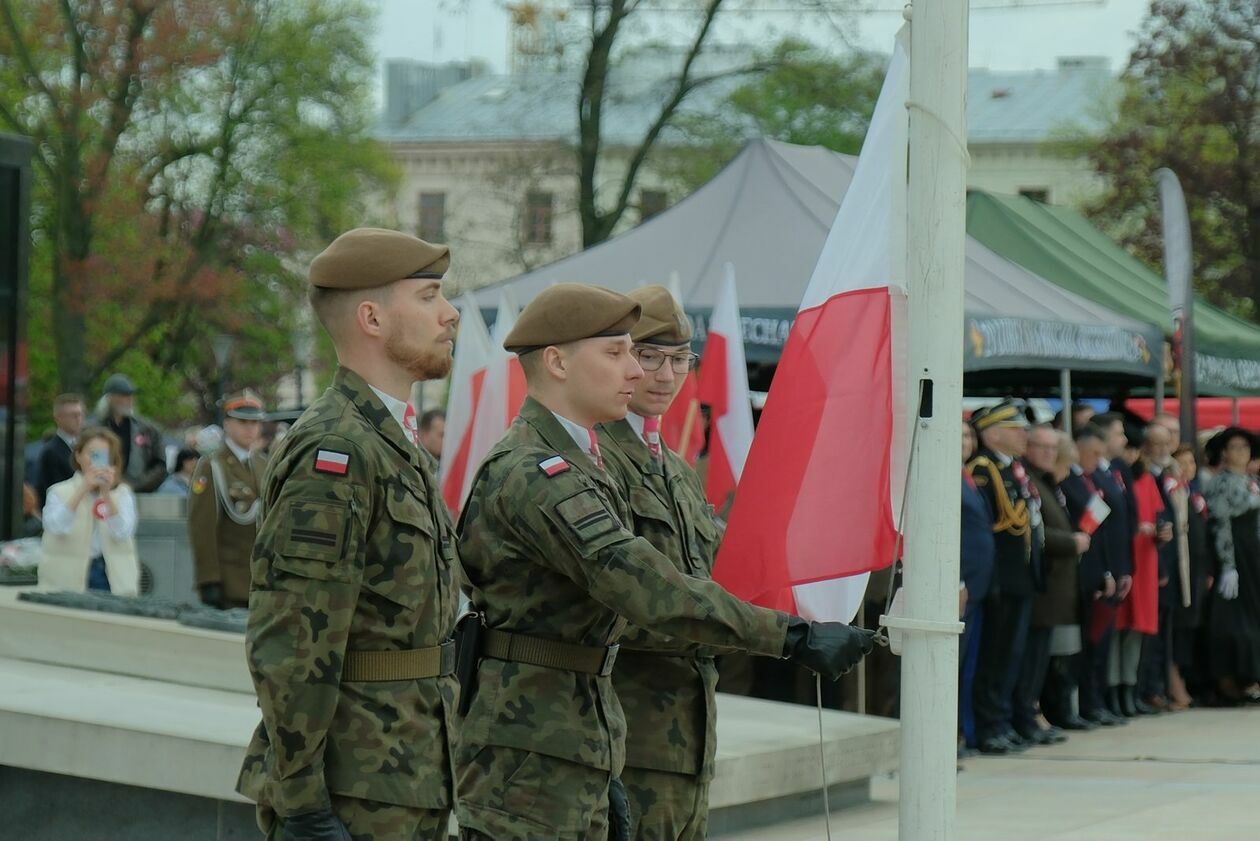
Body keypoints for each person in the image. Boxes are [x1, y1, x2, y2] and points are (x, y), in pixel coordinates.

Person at [455, 283, 875, 841]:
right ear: (556, 361)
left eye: (657, 356)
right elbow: (647, 588)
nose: (640, 372)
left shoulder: (586, 465)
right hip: (536, 748)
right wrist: (792, 636)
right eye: (621, 354)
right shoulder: (538, 472)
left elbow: (704, 570)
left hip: (586, 738)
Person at [235, 228, 463, 841]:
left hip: (405, 775)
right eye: (429, 295)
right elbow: (292, 643)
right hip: (354, 790)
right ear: (371, 317)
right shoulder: (336, 450)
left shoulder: (391, 442)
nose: (450, 314)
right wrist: (305, 805)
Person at [592, 285, 720, 840]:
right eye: (649, 358)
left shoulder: (677, 470)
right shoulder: (593, 459)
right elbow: (630, 602)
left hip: (689, 733)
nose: (666, 377)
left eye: (679, 360)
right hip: (631, 730)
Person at [967, 399, 1043, 754]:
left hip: (1020, 578)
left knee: (1011, 656)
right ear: (993, 434)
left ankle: (1003, 720)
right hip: (1002, 579)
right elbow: (995, 529)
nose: (1023, 435)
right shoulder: (985, 469)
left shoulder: (1014, 469)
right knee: (995, 657)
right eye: (1015, 429)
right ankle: (989, 726)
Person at [1016, 425, 1083, 746]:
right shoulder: (1029, 480)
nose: (1048, 453)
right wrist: (1071, 542)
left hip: (1052, 586)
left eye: (1053, 449)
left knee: (1038, 657)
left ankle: (1029, 713)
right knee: (1026, 657)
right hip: (1039, 584)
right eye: (1041, 446)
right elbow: (1036, 532)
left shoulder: (1044, 482)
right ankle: (1022, 716)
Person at [188, 391, 269, 610]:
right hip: (230, 582)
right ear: (227, 424)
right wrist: (208, 579)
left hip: (262, 583)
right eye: (243, 422)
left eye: (255, 422)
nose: (250, 428)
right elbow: (202, 527)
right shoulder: (212, 466)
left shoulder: (264, 464)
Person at [39, 427, 140, 596]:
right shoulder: (59, 491)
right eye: (92, 454)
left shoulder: (122, 493)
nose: (97, 461)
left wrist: (107, 495)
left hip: (110, 574)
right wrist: (82, 490)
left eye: (103, 455)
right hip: (68, 575)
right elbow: (55, 527)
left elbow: (123, 532)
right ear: (78, 456)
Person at [1112, 426, 1168, 717]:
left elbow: (1158, 516)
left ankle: (1129, 690)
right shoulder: (1116, 478)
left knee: (1137, 630)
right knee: (1116, 629)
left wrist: (1161, 532)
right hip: (1123, 558)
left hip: (1145, 562)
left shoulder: (1145, 479)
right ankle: (1114, 692)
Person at [1202, 427, 1260, 704]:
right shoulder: (1219, 483)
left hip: (1253, 555)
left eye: (1245, 448)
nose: (1240, 453)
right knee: (1230, 619)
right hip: (1233, 555)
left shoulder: (1251, 480)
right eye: (1235, 447)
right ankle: (1226, 682)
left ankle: (1249, 678)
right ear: (1224, 452)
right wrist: (1227, 564)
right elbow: (1221, 523)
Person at [959, 419, 995, 753]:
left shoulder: (968, 478)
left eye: (968, 435)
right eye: (957, 435)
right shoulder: (945, 479)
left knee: (965, 664)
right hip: (960, 587)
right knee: (951, 664)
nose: (965, 441)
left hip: (977, 586)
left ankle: (958, 735)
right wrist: (956, 580)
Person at [1169, 444, 1210, 708]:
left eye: (1191, 463)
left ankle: (1187, 679)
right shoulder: (1173, 493)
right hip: (1178, 571)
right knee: (1179, 628)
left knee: (1193, 627)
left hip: (1196, 569)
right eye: (1181, 463)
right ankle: (1175, 683)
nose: (1187, 468)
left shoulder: (1194, 493)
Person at [92, 374, 167, 492]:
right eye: (124, 395)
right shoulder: (94, 429)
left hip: (140, 494)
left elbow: (160, 465)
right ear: (109, 398)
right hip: (102, 492)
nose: (130, 400)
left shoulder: (148, 429)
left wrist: (137, 484)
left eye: (131, 395)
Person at [34, 393, 85, 507]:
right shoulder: (50, 452)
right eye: (73, 415)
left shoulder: (87, 446)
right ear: (58, 418)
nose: (78, 419)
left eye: (80, 414)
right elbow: (52, 489)